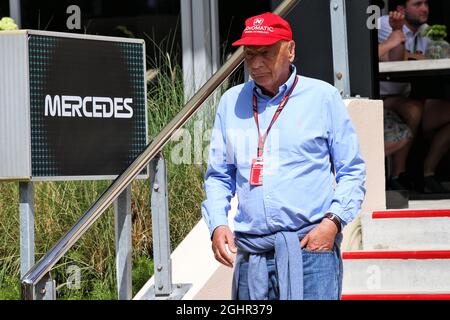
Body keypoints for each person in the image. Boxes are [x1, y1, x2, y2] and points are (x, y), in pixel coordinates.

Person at [201, 12, 366, 300]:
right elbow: (218, 175)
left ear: (290, 50)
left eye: (265, 53)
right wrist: (217, 223)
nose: (255, 63)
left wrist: (332, 223)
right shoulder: (231, 102)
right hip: (252, 256)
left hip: (310, 251)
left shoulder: (322, 97)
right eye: (249, 54)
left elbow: (351, 170)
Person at [378, 0, 450, 193]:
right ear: (401, 9)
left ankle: (428, 173)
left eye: (426, 3)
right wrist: (398, 32)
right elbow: (392, 58)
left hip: (407, 96)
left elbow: (442, 53)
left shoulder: (426, 29)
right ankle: (398, 176)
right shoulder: (386, 23)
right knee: (414, 109)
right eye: (417, 4)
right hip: (383, 96)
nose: (424, 9)